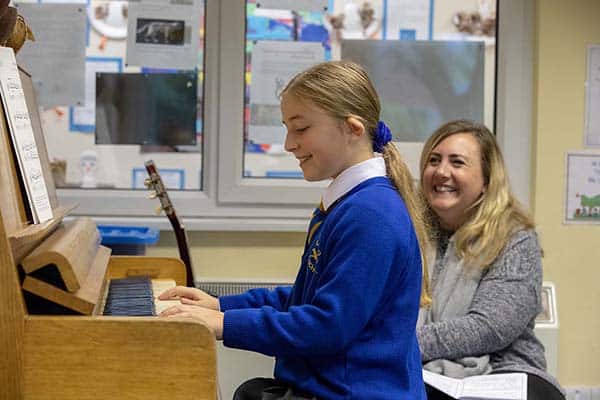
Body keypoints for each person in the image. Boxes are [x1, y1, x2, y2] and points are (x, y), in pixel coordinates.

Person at [158, 61, 429, 400]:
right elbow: (306, 297)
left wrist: (223, 325)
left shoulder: (371, 214)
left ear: (353, 129)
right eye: (287, 128)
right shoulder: (349, 204)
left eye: (300, 129)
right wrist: (220, 305)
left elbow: (327, 325)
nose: (288, 144)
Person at [417, 119, 565, 400]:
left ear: (486, 181)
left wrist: (402, 344)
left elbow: (490, 328)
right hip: (422, 369)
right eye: (433, 160)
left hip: (505, 370)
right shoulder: (405, 230)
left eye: (457, 163)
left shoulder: (515, 238)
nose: (441, 172)